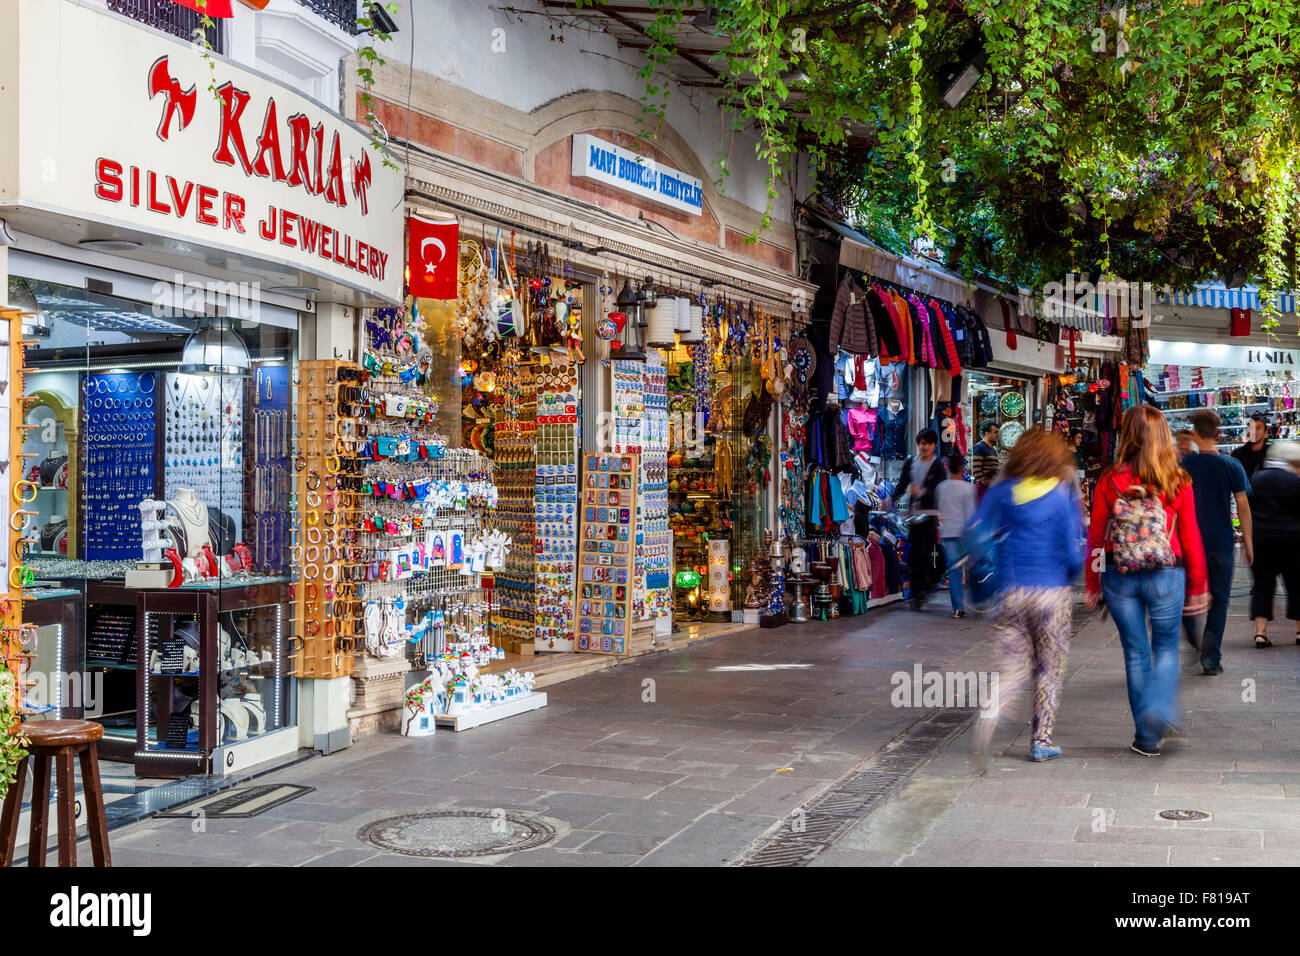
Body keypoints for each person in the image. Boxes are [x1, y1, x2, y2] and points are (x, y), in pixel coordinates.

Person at [1086, 405, 1208, 758]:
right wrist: (1199, 583)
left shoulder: (1109, 480)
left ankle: (1146, 737)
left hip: (1120, 576)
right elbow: (1190, 536)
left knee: (1136, 653)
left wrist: (1093, 583)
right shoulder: (1177, 480)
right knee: (1167, 646)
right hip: (1167, 574)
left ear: (1127, 436)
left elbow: (1096, 538)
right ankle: (1158, 709)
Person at [967, 428, 1085, 762]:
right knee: (1049, 668)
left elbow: (975, 531)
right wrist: (1070, 577)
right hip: (1052, 594)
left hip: (1011, 592)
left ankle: (989, 716)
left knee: (1013, 666)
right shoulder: (1062, 496)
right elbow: (1075, 553)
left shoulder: (1002, 491)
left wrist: (989, 566)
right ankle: (1041, 741)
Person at [1180, 410, 1252, 675]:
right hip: (1221, 542)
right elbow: (1243, 505)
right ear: (1218, 433)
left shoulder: (1183, 465)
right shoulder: (1231, 465)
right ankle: (1211, 658)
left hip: (1188, 543)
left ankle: (1194, 638)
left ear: (1195, 433)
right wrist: (1248, 542)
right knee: (1220, 601)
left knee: (1186, 596)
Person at [1248, 441, 1300, 648]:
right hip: (1293, 541)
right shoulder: (1295, 481)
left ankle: (1260, 633)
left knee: (1262, 587)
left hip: (1261, 540)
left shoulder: (1255, 479)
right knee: (1297, 586)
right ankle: (1299, 631)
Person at [888, 429, 946, 611]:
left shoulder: (938, 467)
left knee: (923, 552)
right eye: (922, 443)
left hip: (929, 515)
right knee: (914, 553)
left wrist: (920, 492)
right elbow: (902, 484)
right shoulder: (911, 463)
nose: (925, 447)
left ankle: (919, 591)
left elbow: (940, 490)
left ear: (934, 445)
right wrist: (890, 500)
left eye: (929, 443)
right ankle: (920, 585)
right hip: (913, 516)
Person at [936, 452, 977, 619]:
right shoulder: (968, 489)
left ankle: (958, 608)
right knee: (973, 568)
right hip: (965, 534)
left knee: (954, 571)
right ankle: (978, 599)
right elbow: (971, 515)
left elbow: (939, 512)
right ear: (962, 468)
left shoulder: (941, 488)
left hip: (947, 533)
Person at [1232, 413, 1271, 478]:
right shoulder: (1237, 454)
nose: (1254, 431)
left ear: (1265, 433)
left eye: (1258, 428)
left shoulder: (1272, 453)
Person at [971, 420, 1000, 501]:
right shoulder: (979, 447)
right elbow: (977, 471)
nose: (998, 435)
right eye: (995, 432)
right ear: (987, 433)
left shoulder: (992, 449)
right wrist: (984, 487)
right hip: (985, 492)